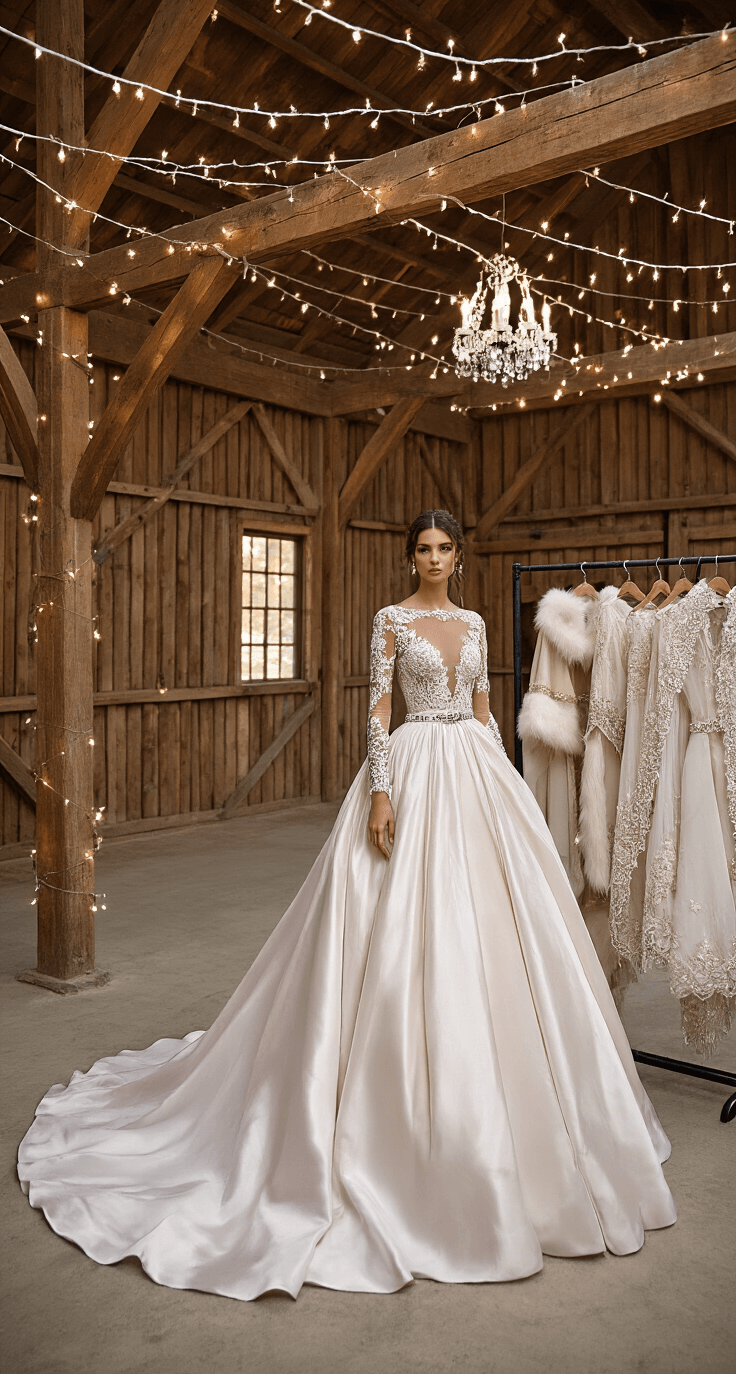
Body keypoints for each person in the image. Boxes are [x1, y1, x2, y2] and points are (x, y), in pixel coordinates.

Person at [18, 509, 675, 1301]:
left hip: (474, 773)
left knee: (507, 939)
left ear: (459, 558)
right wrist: (382, 791)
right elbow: (377, 709)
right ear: (411, 557)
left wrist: (511, 790)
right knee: (388, 936)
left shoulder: (472, 621)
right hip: (410, 769)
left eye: (443, 549)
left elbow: (483, 711)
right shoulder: (391, 619)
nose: (433, 559)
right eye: (422, 549)